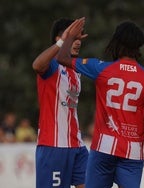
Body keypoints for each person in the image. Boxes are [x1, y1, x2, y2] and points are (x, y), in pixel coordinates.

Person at [56, 18, 144, 188]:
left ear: (116, 43)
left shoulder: (101, 68)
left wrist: (70, 37)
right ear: (138, 46)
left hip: (103, 148)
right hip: (133, 152)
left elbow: (61, 57)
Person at [32, 18, 88, 188]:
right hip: (53, 146)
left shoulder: (76, 69)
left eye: (79, 39)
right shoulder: (51, 65)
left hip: (77, 145)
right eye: (73, 39)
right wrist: (65, 40)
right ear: (60, 39)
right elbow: (36, 65)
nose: (77, 43)